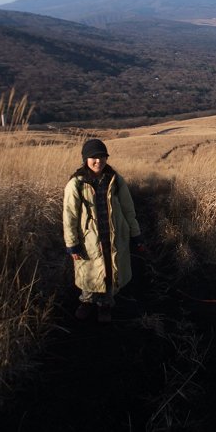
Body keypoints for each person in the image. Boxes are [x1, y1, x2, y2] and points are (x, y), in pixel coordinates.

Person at [63, 138, 144, 323]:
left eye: (102, 156)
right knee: (89, 271)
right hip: (88, 239)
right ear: (85, 159)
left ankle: (105, 304)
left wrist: (135, 235)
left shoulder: (115, 180)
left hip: (114, 237)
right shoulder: (76, 184)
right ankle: (86, 302)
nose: (98, 161)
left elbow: (128, 209)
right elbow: (69, 217)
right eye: (93, 157)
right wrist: (72, 244)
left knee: (110, 270)